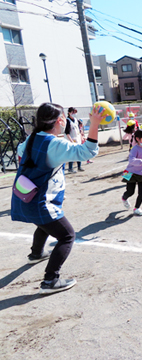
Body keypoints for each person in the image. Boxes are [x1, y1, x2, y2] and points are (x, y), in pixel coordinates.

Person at [11, 103, 102, 294]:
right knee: (67, 236)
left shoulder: (31, 139)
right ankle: (50, 280)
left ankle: (36, 254)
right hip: (40, 202)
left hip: (26, 199)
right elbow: (87, 152)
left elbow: (20, 151)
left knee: (44, 225)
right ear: (59, 120)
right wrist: (94, 125)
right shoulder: (55, 144)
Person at [121, 129, 142, 216]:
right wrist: (141, 162)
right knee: (130, 192)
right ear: (138, 139)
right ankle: (124, 198)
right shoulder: (134, 148)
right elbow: (131, 160)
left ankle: (137, 208)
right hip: (130, 172)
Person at [65, 107, 84, 173]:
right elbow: (67, 132)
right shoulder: (67, 121)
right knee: (72, 154)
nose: (74, 114)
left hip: (78, 138)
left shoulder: (76, 120)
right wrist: (71, 140)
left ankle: (79, 167)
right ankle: (70, 168)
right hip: (71, 139)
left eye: (75, 112)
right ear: (69, 113)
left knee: (79, 153)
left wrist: (81, 133)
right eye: (73, 112)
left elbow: (80, 126)